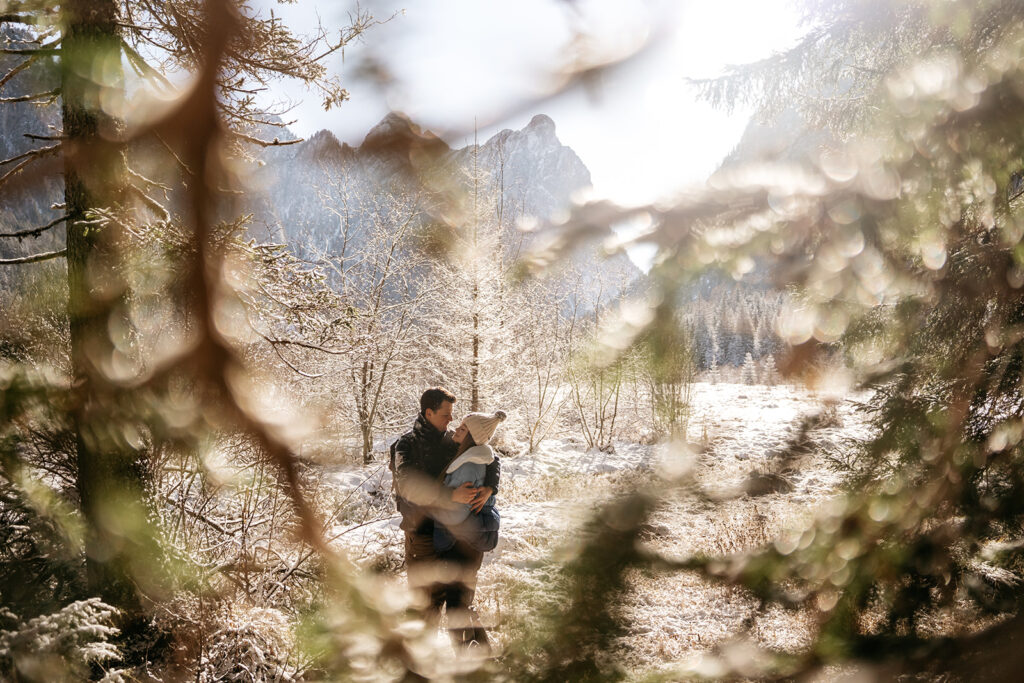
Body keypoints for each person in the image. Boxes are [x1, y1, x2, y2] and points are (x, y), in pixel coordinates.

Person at [392, 388, 500, 647]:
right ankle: (418, 663)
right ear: (428, 413)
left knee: (460, 605)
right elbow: (409, 488)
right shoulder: (405, 446)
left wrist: (490, 487)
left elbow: (490, 457)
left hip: (456, 535)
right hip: (423, 535)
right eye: (446, 414)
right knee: (424, 606)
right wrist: (450, 496)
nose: (451, 420)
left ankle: (476, 663)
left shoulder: (453, 439)